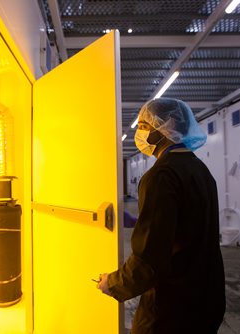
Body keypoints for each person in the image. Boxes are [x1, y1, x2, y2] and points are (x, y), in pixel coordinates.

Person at [97, 97, 226, 333]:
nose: (139, 132)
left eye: (144, 126)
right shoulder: (200, 170)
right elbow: (190, 224)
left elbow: (150, 260)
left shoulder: (161, 175)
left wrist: (113, 283)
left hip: (173, 309)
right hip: (207, 298)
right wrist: (143, 221)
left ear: (162, 129)